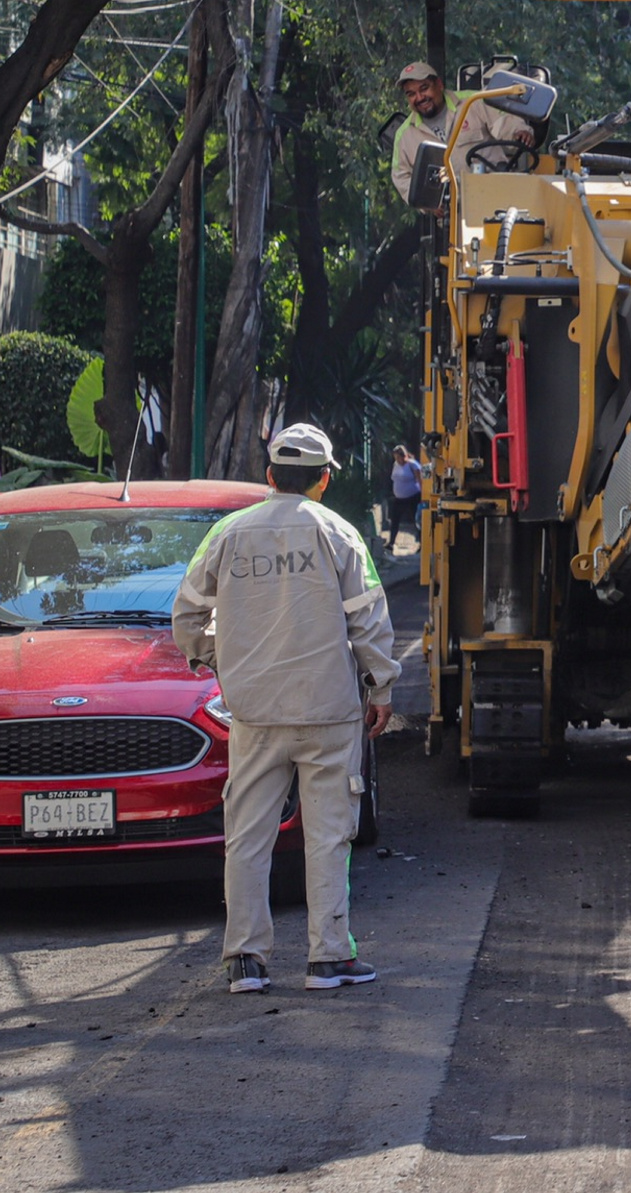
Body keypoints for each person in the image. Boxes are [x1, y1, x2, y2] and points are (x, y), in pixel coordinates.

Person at [173, 423, 398, 995]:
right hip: (329, 711)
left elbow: (187, 616)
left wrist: (220, 660)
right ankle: (329, 958)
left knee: (247, 835)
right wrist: (381, 687)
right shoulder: (341, 534)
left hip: (253, 712)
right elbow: (369, 618)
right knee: (328, 836)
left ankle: (246, 960)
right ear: (323, 480)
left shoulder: (227, 534)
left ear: (269, 477)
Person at [388, 60, 537, 201]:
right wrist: (427, 202)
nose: (419, 98)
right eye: (411, 94)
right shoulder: (405, 135)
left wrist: (519, 132)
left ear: (439, 84)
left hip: (496, 200)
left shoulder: (473, 102)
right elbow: (401, 177)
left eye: (424, 88)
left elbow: (504, 121)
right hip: (452, 215)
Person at [386, 444, 423, 552]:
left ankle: (422, 544)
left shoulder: (413, 465)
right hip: (399, 498)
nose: (397, 460)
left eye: (398, 457)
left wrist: (422, 496)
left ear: (404, 456)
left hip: (412, 497)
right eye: (395, 458)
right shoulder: (395, 465)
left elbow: (420, 480)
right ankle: (391, 543)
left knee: (417, 522)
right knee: (395, 520)